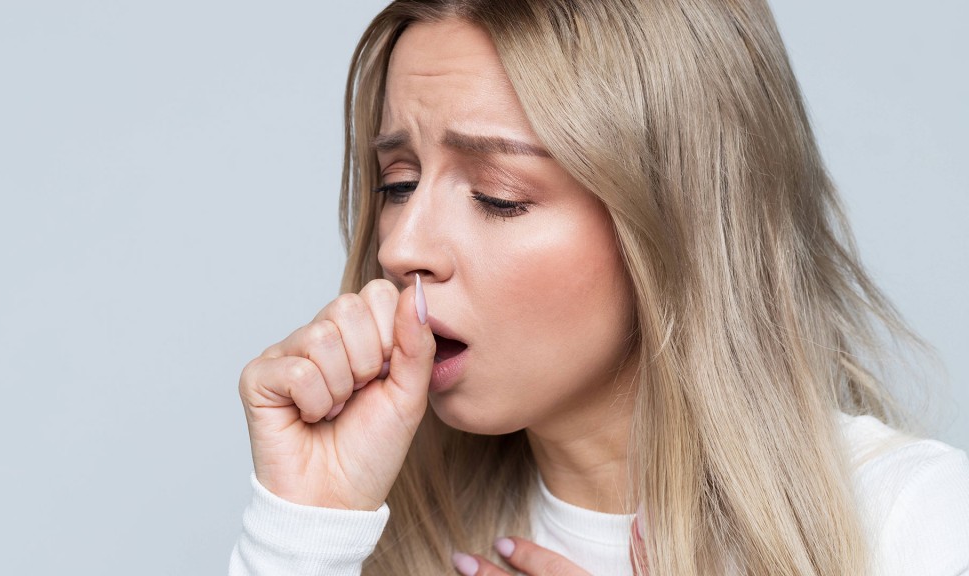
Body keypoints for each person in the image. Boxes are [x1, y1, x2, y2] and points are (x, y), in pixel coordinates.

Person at [229, 1, 969, 574]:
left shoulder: (919, 526)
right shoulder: (374, 533)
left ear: (677, 221)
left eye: (497, 194)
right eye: (398, 182)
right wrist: (303, 531)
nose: (400, 247)